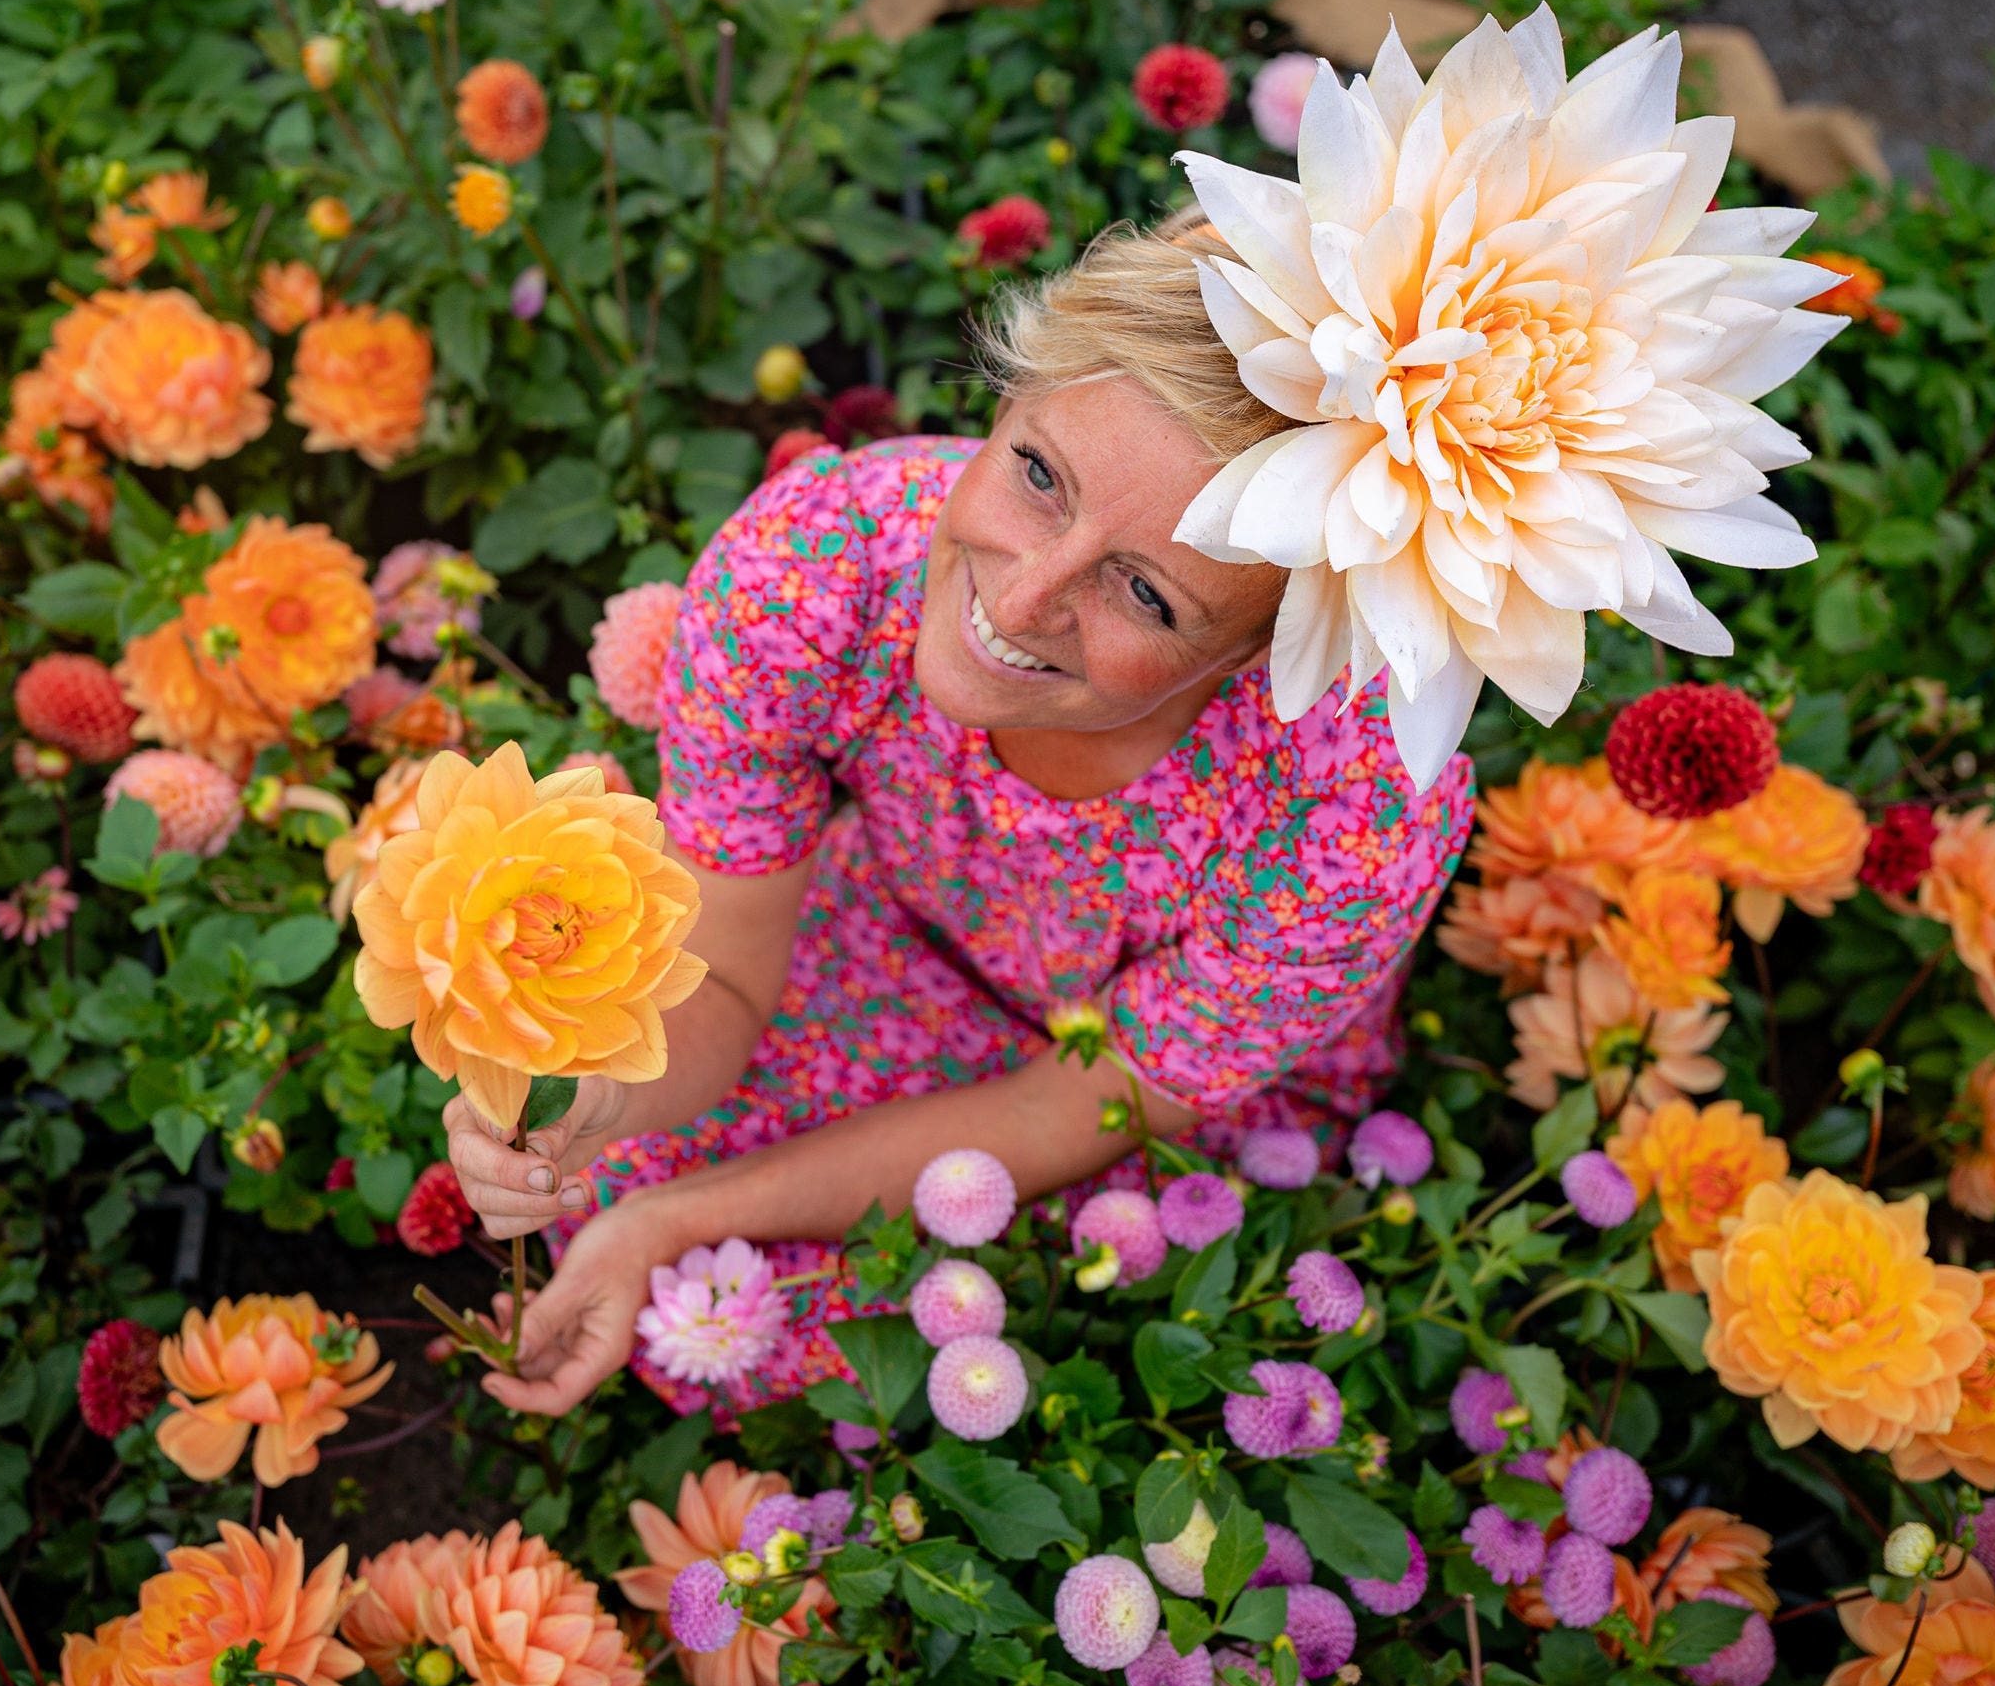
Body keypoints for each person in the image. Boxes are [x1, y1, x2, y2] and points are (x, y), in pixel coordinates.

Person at [446, 212, 1475, 1418]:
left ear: (1265, 649)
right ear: (1011, 389)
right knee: (612, 1167)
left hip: (1122, 1089)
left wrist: (682, 1215)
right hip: (894, 932)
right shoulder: (817, 571)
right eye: (1040, 474)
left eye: (1145, 593)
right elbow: (722, 977)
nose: (1020, 595)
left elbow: (1081, 1100)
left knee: (870, 1335)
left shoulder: (1349, 809)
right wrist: (609, 1100)